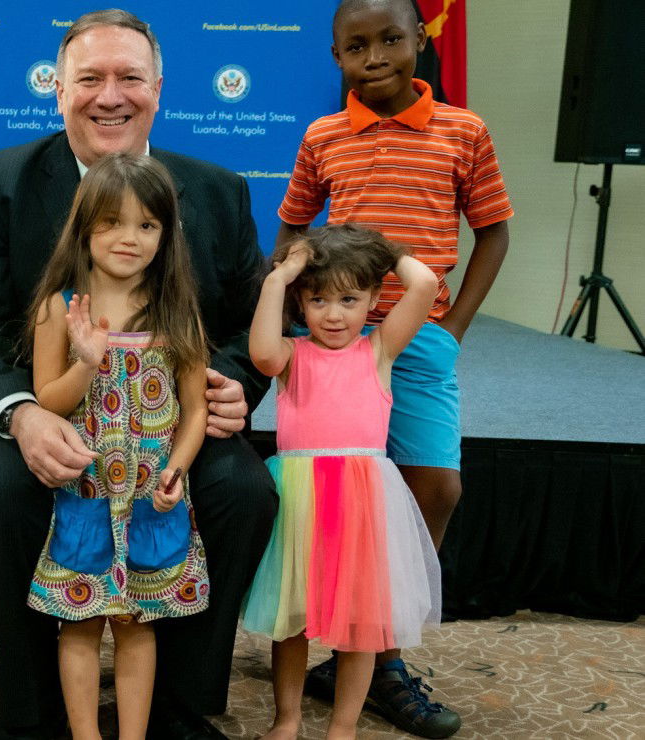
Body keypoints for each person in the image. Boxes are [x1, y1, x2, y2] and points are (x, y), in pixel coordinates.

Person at [0, 9, 277, 739]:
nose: (110, 96)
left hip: (167, 413)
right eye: (89, 79)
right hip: (49, 404)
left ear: (158, 88)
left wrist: (230, 384)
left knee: (242, 491)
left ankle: (175, 711)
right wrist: (22, 412)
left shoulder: (219, 190)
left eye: (129, 77)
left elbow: (240, 324)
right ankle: (33, 716)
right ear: (57, 89)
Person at [276, 2, 512, 734]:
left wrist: (454, 328)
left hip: (420, 334)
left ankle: (378, 642)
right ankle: (345, 641)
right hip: (337, 337)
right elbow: (292, 223)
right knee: (325, 485)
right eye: (355, 46)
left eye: (389, 40)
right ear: (336, 56)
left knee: (436, 484)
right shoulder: (324, 135)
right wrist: (293, 309)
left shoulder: (463, 130)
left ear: (419, 42)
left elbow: (494, 234)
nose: (374, 56)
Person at [25, 153, 211, 740]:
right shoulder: (59, 307)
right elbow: (48, 400)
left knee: (137, 620)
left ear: (166, 233)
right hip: (87, 491)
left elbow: (197, 406)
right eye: (111, 222)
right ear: (84, 227)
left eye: (147, 225)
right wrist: (87, 362)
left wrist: (177, 469)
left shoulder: (177, 309)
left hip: (152, 491)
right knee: (78, 621)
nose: (129, 238)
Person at [244, 225, 442, 740]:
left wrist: (383, 250)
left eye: (350, 300)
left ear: (374, 298)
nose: (334, 314)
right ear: (300, 303)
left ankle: (343, 727)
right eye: (318, 300)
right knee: (293, 621)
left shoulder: (378, 352)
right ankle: (285, 720)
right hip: (300, 505)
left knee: (359, 627)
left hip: (361, 505)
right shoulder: (290, 357)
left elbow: (423, 285)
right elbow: (261, 352)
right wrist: (281, 276)